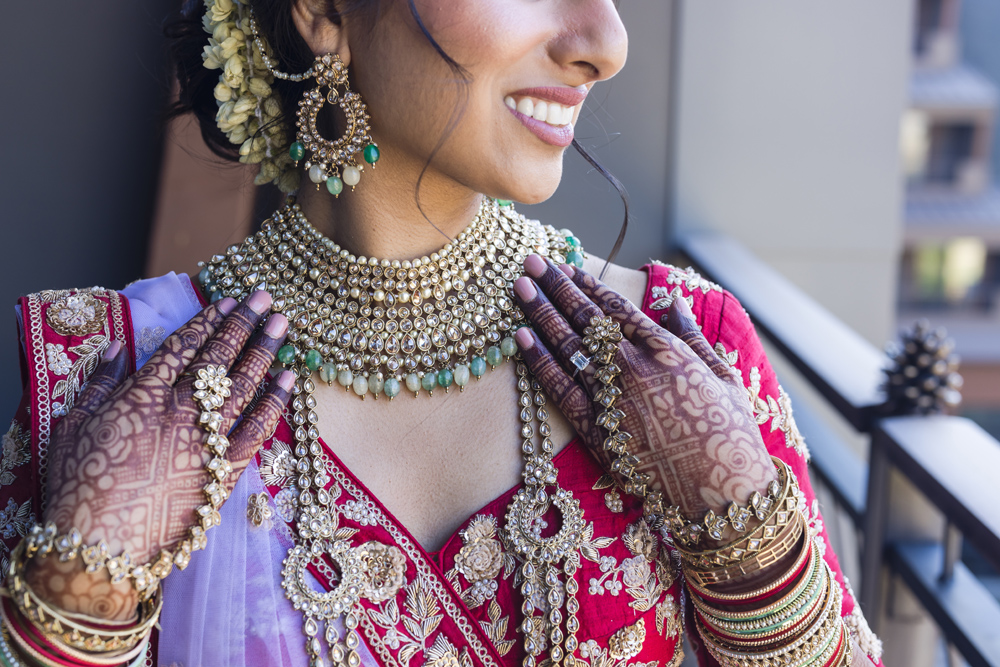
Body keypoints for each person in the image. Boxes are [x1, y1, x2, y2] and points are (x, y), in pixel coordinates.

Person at [0, 1, 886, 665]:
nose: (604, 43)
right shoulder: (116, 371)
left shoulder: (683, 353)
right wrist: (79, 593)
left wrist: (750, 556)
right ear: (322, 10)